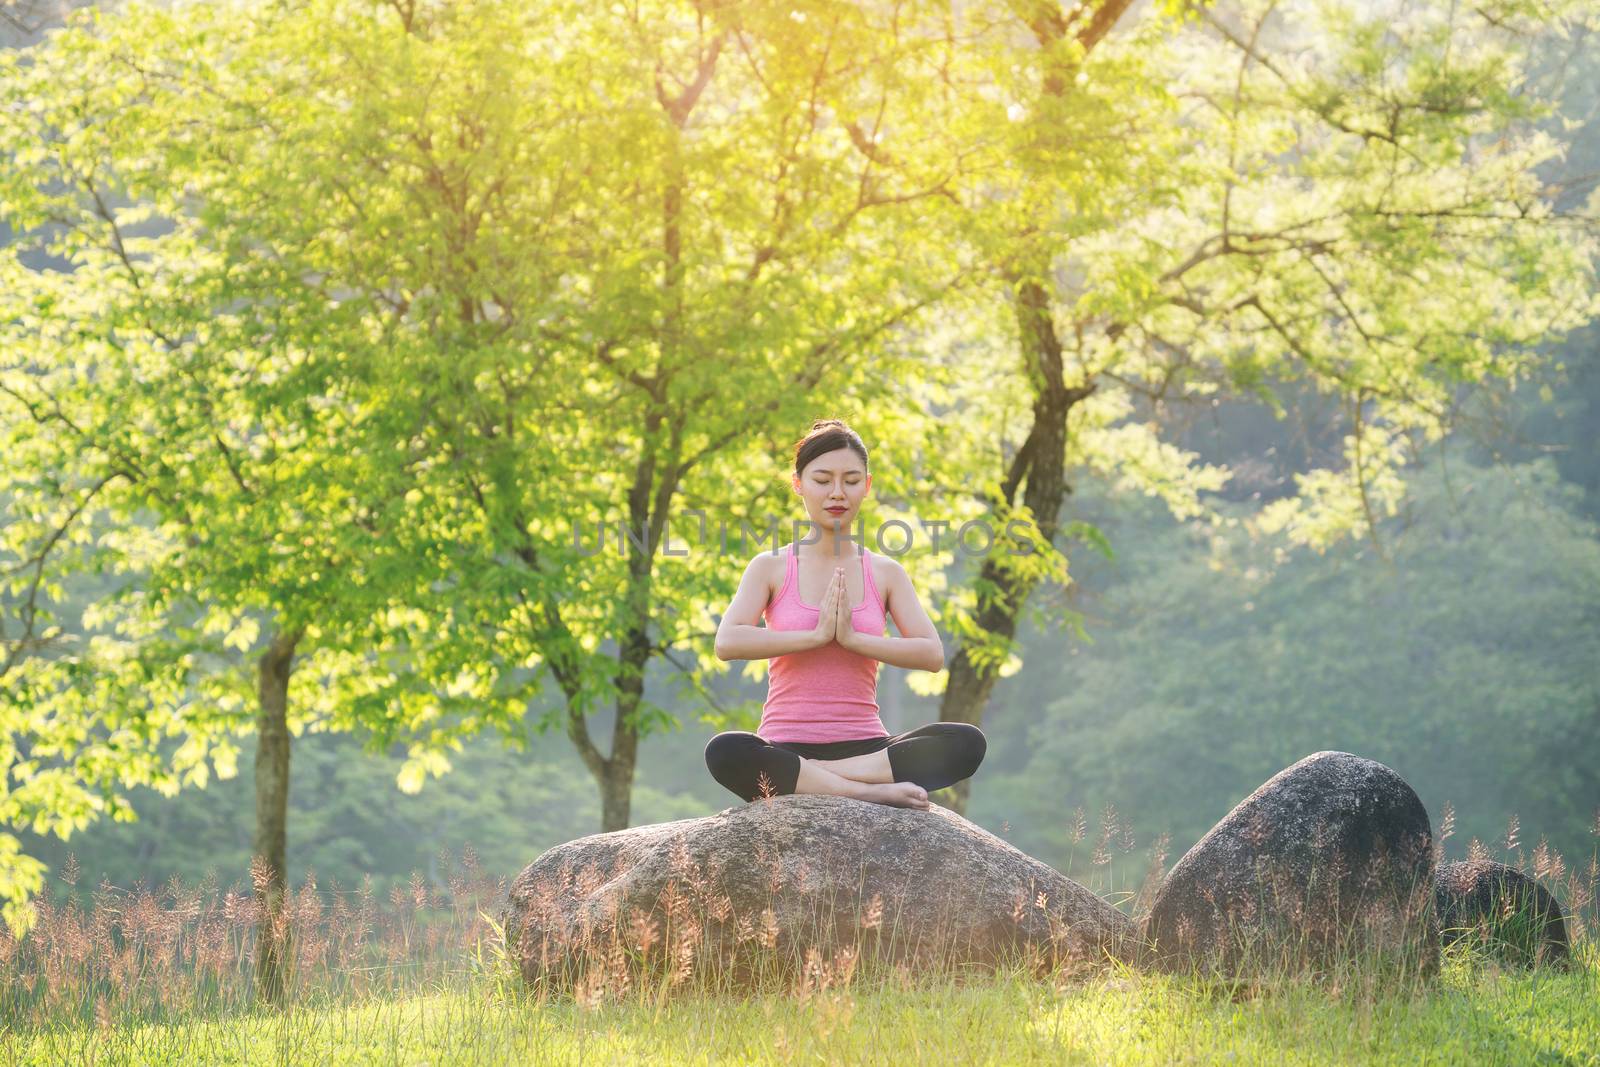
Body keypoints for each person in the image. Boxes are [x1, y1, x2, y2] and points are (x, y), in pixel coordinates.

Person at [707, 418, 986, 810]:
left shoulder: (885, 573)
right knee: (725, 751)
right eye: (822, 480)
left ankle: (818, 777)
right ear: (798, 483)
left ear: (867, 486)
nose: (837, 492)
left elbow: (931, 653)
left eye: (851, 480)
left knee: (966, 742)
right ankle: (863, 791)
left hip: (866, 750)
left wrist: (854, 640)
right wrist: (815, 637)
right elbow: (728, 641)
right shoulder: (769, 567)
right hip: (785, 745)